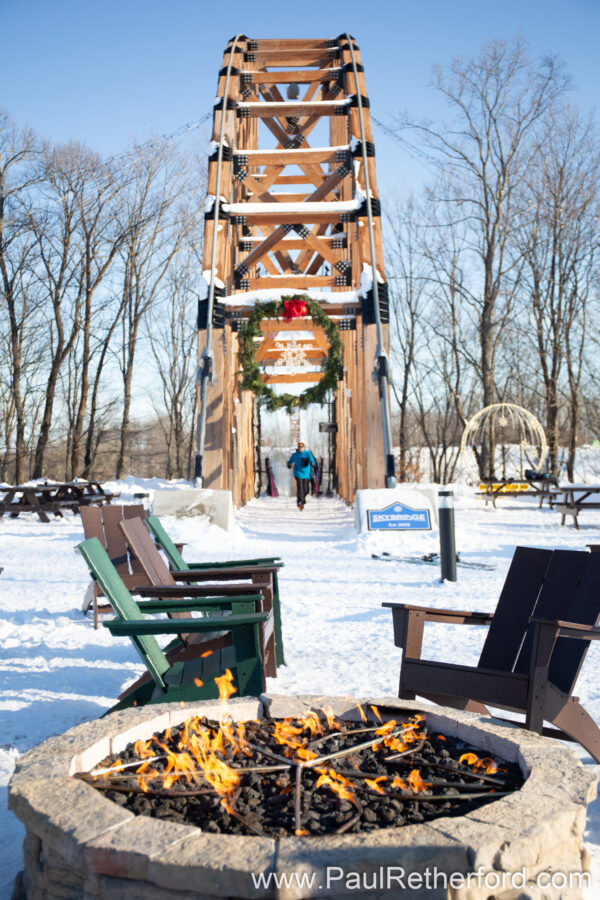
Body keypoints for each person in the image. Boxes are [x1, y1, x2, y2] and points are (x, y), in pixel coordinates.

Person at [287, 441, 317, 510]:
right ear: (298, 448)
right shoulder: (295, 455)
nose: (301, 448)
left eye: (302, 447)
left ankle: (303, 498)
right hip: (298, 473)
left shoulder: (307, 454)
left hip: (306, 474)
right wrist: (289, 464)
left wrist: (312, 463)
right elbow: (290, 461)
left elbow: (313, 461)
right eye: (299, 447)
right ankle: (300, 502)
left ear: (304, 447)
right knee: (300, 487)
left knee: (306, 489)